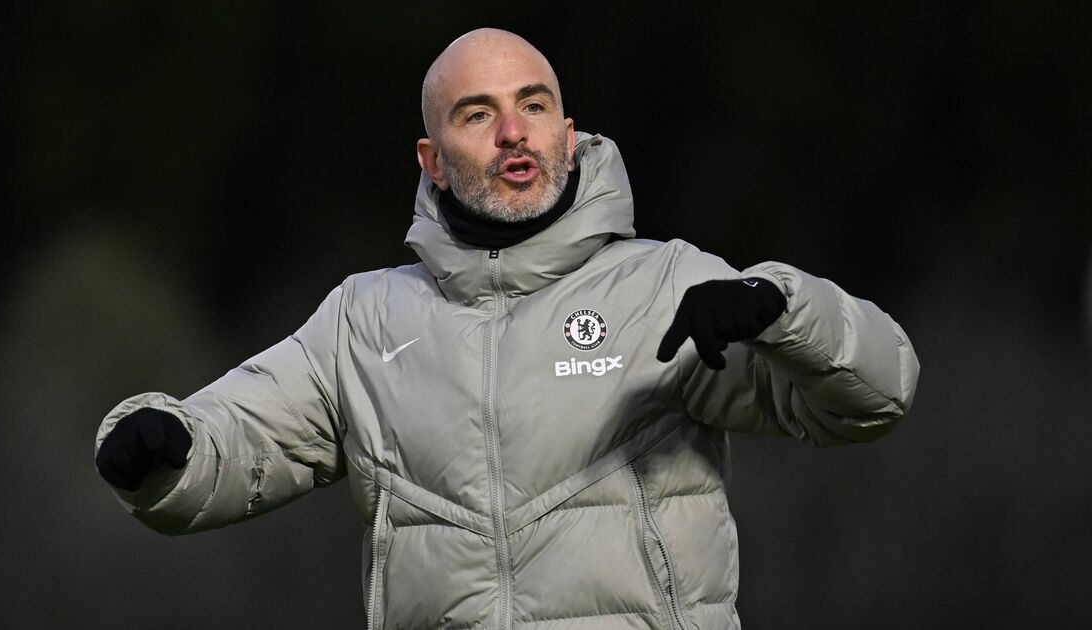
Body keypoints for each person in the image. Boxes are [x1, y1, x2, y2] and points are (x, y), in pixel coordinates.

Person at [95, 28, 919, 630]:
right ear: (432, 159)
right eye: (477, 114)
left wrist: (787, 311)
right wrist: (162, 451)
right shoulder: (364, 320)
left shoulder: (668, 284)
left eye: (533, 105)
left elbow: (876, 398)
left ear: (567, 133)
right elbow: (235, 439)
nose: (513, 131)